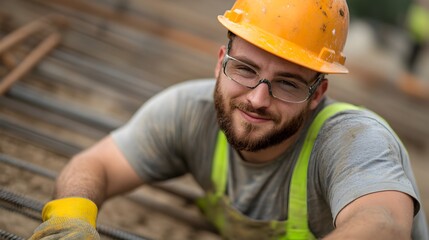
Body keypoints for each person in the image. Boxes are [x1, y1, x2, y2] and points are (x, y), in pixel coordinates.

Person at [30, 0, 428, 239]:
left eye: (287, 84)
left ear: (317, 94)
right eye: (244, 69)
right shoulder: (189, 111)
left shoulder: (353, 140)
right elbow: (95, 163)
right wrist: (72, 218)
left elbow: (383, 226)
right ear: (220, 62)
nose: (257, 98)